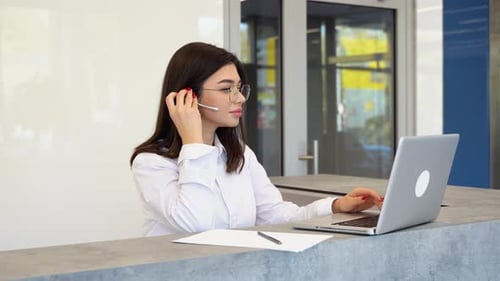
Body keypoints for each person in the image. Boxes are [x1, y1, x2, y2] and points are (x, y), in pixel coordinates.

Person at [130, 42, 383, 236]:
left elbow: (276, 215)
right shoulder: (151, 163)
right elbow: (196, 224)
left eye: (239, 88)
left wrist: (336, 206)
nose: (239, 98)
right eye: (226, 88)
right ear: (188, 96)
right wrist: (194, 143)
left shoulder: (238, 154)